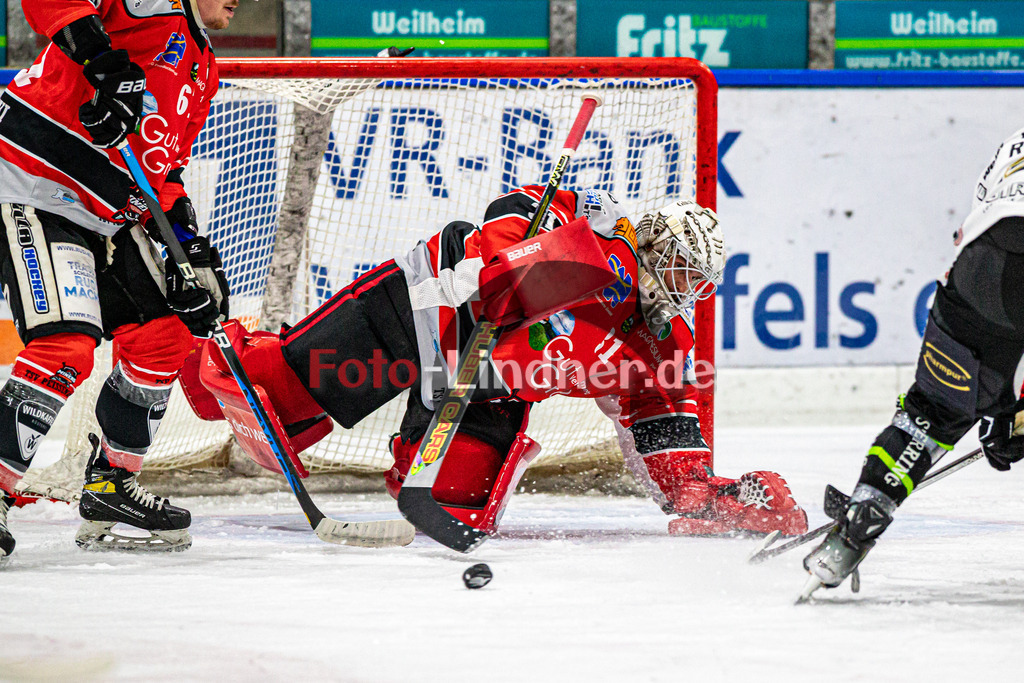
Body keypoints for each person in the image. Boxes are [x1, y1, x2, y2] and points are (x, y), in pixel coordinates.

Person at [193, 185, 809, 541]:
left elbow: (664, 424)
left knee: (457, 502)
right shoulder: (593, 232)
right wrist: (544, 261)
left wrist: (700, 495)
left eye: (698, 280)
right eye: (681, 268)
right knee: (283, 406)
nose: (686, 287)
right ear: (648, 242)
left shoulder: (660, 343)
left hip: (488, 384)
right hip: (427, 309)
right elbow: (512, 212)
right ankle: (211, 359)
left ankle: (421, 451)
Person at [0, 0, 241, 563]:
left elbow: (163, 170)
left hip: (108, 209)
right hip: (31, 179)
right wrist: (101, 60)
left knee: (169, 332)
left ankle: (110, 486)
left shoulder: (205, 69)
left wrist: (186, 243)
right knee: (66, 347)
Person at [801, 126, 1024, 598]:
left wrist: (1004, 405)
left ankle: (855, 529)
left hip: (982, 263)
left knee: (930, 416)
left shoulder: (1015, 139)